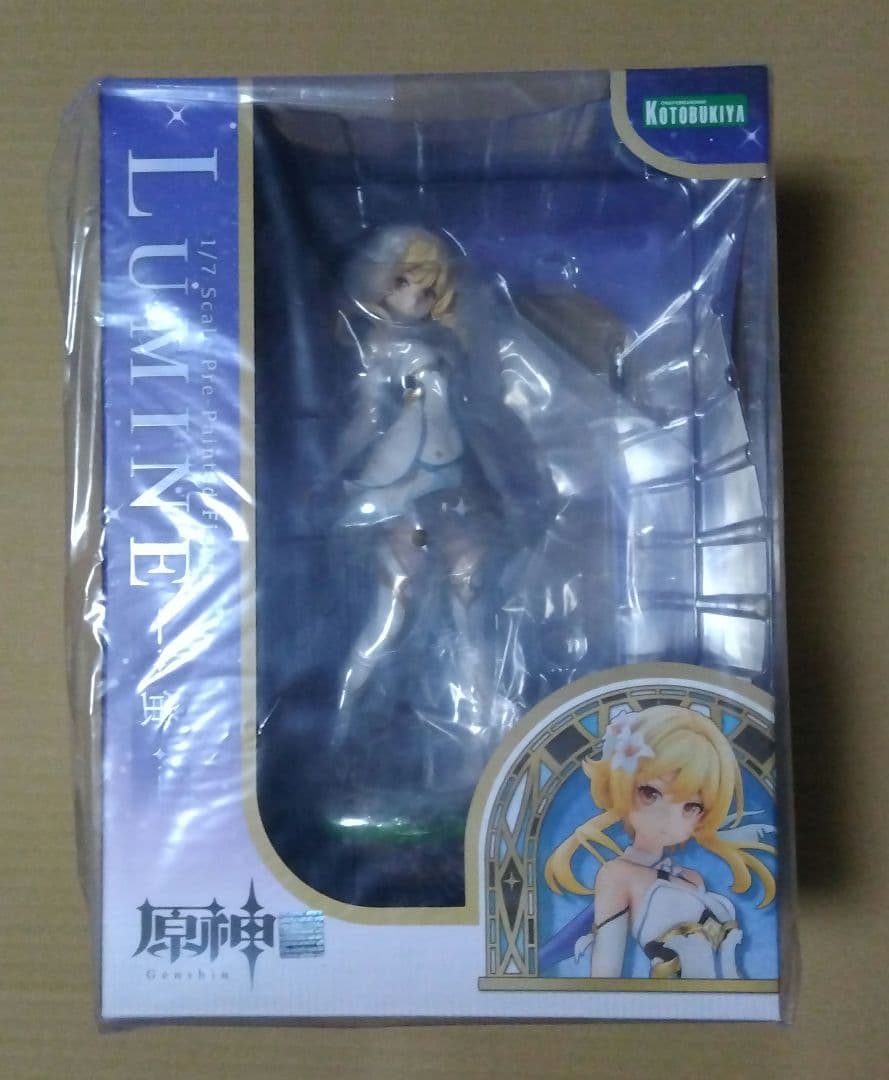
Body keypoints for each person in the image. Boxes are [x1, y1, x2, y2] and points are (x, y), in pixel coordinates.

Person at [543, 704, 775, 979]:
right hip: (672, 1001)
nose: (668, 817)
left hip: (731, 998)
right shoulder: (617, 875)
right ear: (621, 786)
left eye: (691, 806)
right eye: (651, 793)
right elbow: (605, 975)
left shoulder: (691, 878)